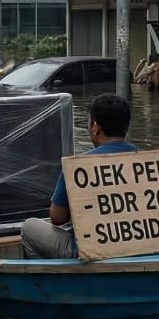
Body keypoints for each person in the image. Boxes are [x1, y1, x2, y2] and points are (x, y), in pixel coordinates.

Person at [21, 94, 137, 260]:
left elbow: (57, 218)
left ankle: (47, 280)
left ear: (95, 126)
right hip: (137, 248)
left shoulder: (78, 166)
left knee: (29, 227)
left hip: (89, 252)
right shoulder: (147, 161)